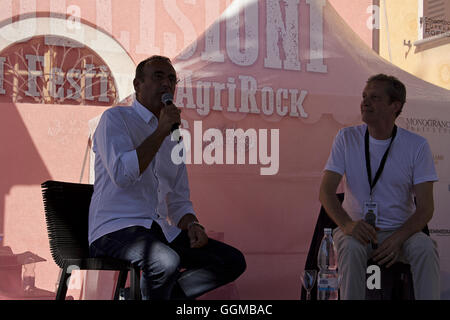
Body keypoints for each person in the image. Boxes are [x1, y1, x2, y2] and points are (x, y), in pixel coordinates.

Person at [88, 55, 246, 300]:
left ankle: (139, 297)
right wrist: (161, 131)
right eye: (158, 76)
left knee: (231, 261)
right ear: (137, 85)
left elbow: (179, 200)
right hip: (116, 227)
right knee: (165, 262)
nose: (167, 84)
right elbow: (121, 174)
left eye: (172, 79)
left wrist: (193, 224)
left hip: (159, 229)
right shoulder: (116, 119)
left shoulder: (174, 138)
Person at [319, 74, 440, 300]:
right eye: (364, 96)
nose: (365, 102)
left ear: (395, 106)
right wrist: (347, 225)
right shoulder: (346, 138)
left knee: (425, 248)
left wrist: (399, 238)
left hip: (400, 231)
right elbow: (325, 192)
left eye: (374, 97)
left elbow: (426, 208)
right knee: (352, 249)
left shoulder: (417, 146)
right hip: (356, 230)